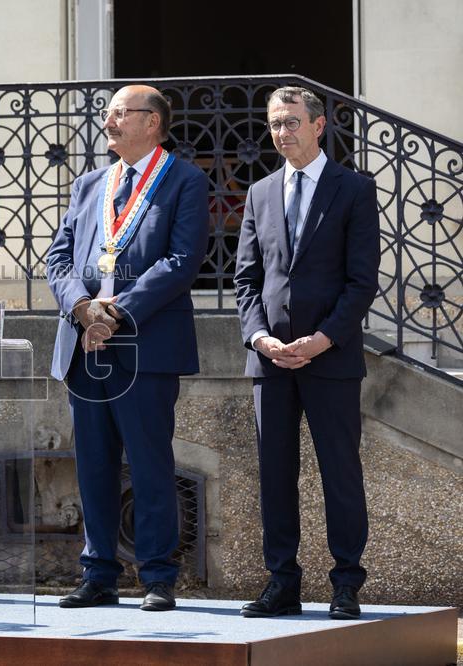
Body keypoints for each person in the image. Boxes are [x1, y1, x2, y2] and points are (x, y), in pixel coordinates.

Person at [46, 85, 209, 611]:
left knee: (149, 462)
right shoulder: (89, 183)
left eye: (120, 113)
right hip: (84, 345)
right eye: (108, 112)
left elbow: (181, 262)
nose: (109, 121)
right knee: (93, 463)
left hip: (145, 346)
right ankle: (98, 574)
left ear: (152, 122)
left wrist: (115, 313)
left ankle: (158, 576)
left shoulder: (184, 180)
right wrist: (81, 307)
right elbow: (59, 257)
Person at [234, 86, 380, 620]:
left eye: (292, 122)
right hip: (270, 360)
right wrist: (259, 337)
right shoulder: (260, 192)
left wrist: (322, 339)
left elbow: (362, 282)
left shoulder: (354, 189)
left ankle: (346, 583)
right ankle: (282, 583)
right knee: (275, 475)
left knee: (340, 472)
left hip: (331, 358)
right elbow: (246, 280)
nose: (282, 132)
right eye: (275, 123)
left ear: (318, 126)